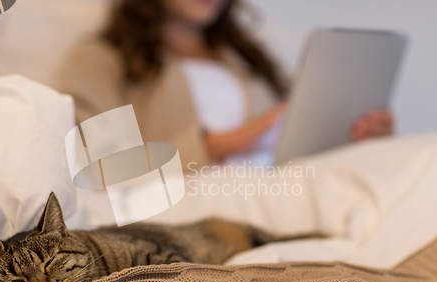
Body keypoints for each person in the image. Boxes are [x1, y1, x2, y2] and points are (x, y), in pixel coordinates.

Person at [60, 0, 393, 169]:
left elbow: (291, 141)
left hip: (281, 184)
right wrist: (224, 144)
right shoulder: (100, 58)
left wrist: (356, 137)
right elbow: (105, 168)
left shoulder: (248, 60)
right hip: (206, 197)